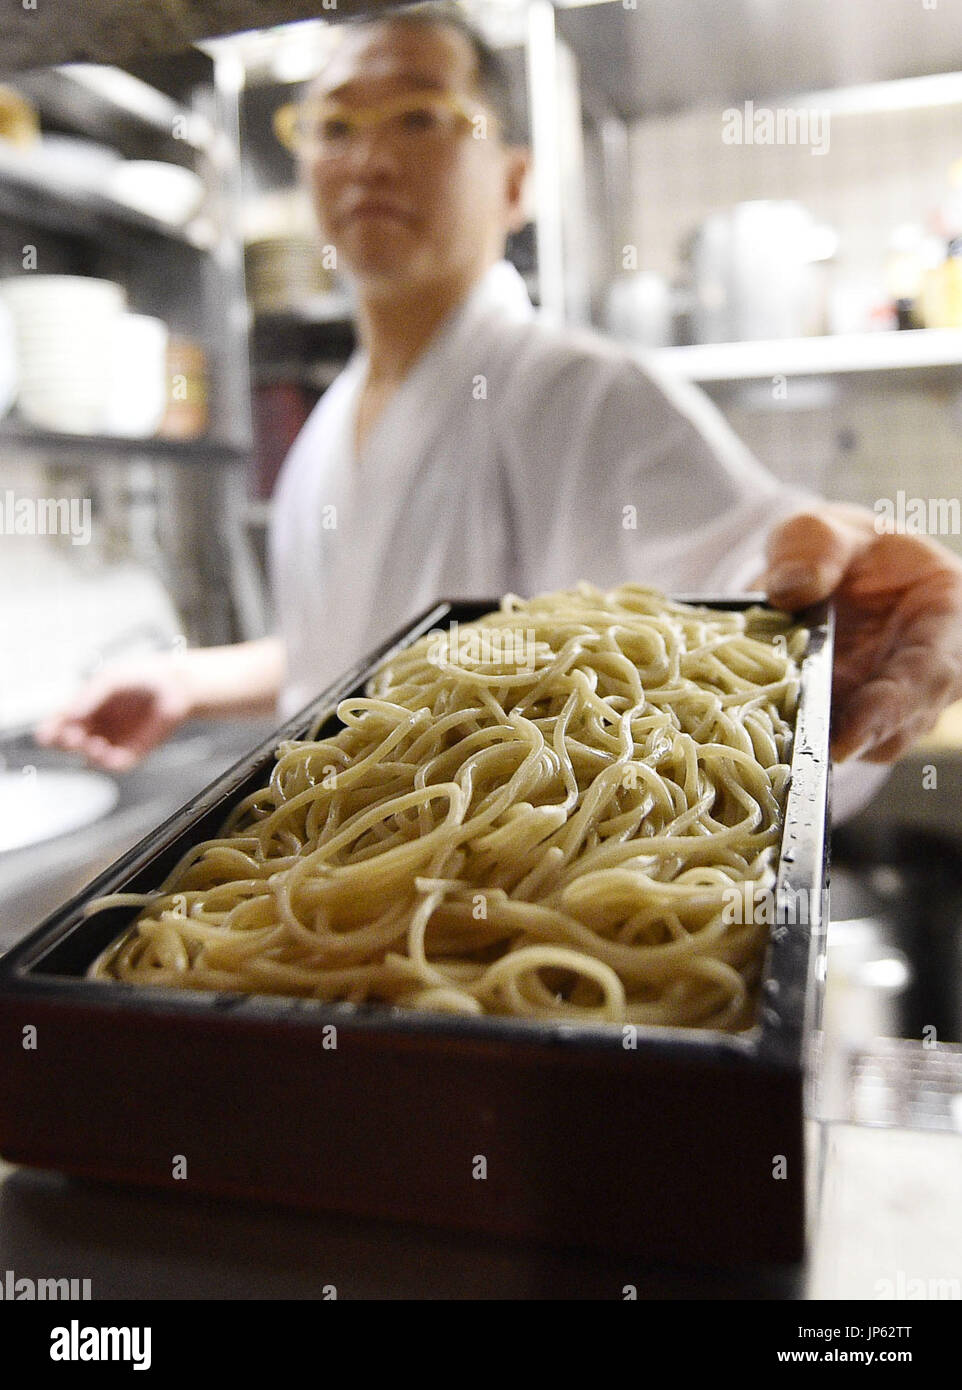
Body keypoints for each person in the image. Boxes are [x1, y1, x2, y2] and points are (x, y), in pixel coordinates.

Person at [36, 6, 962, 817]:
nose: (366, 155)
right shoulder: (329, 426)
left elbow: (743, 576)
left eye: (418, 114)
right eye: (332, 123)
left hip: (507, 955)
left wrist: (838, 625)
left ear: (516, 182)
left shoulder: (585, 395)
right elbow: (349, 651)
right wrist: (186, 681)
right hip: (334, 917)